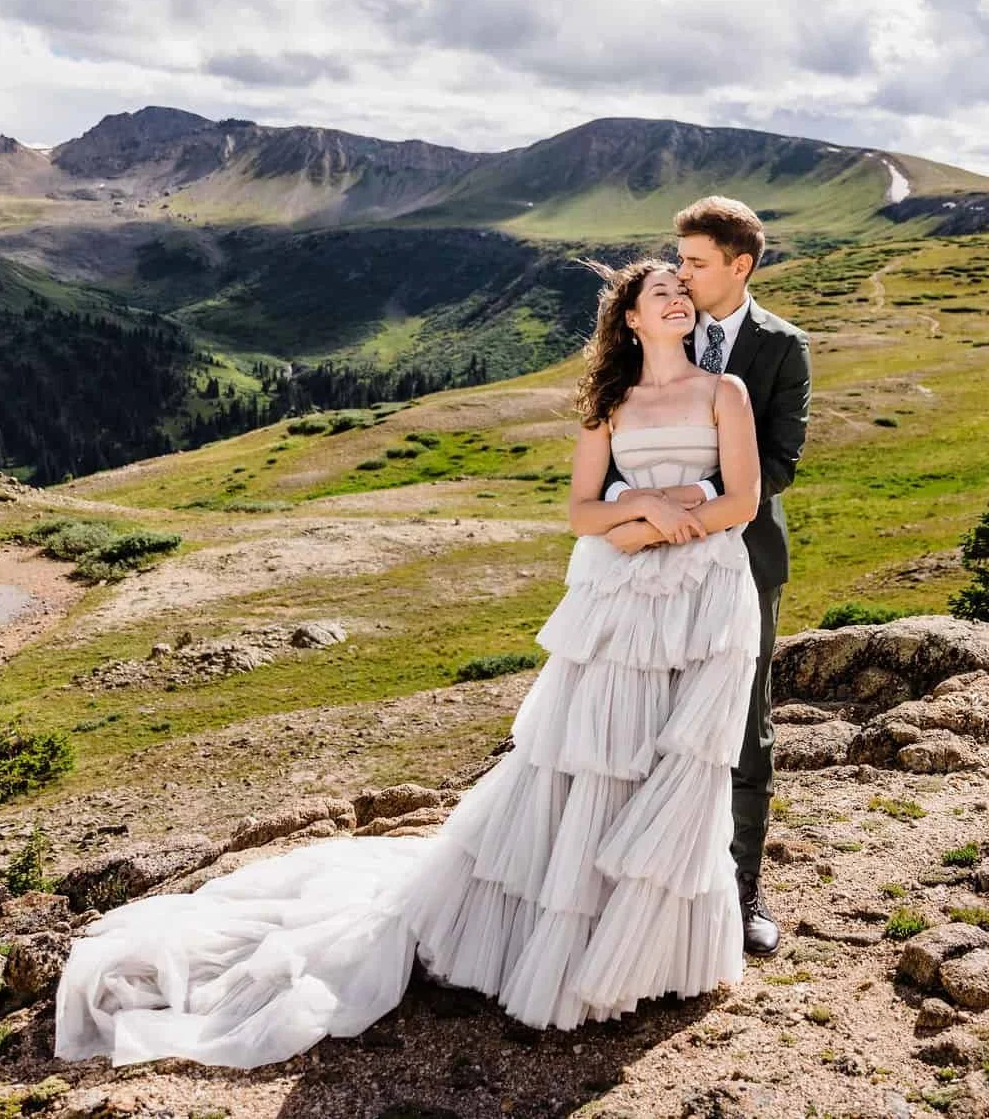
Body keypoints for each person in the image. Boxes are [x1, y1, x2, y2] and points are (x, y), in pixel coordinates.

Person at [56, 257, 769, 1069]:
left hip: (710, 590)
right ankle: (581, 942)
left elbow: (742, 500)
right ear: (632, 320)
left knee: (684, 765)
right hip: (624, 596)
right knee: (603, 756)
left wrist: (672, 524)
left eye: (684, 290)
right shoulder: (609, 405)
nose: (679, 299)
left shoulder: (725, 393)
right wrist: (640, 509)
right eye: (661, 294)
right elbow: (580, 512)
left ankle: (663, 953)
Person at [604, 196, 810, 955]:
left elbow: (780, 465)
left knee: (741, 725)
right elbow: (613, 435)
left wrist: (683, 497)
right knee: (642, 717)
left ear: (739, 266)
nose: (681, 277)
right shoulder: (656, 332)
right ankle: (636, 886)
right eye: (678, 262)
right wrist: (636, 504)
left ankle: (739, 894)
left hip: (741, 558)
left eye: (694, 264)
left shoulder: (784, 348)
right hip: (645, 559)